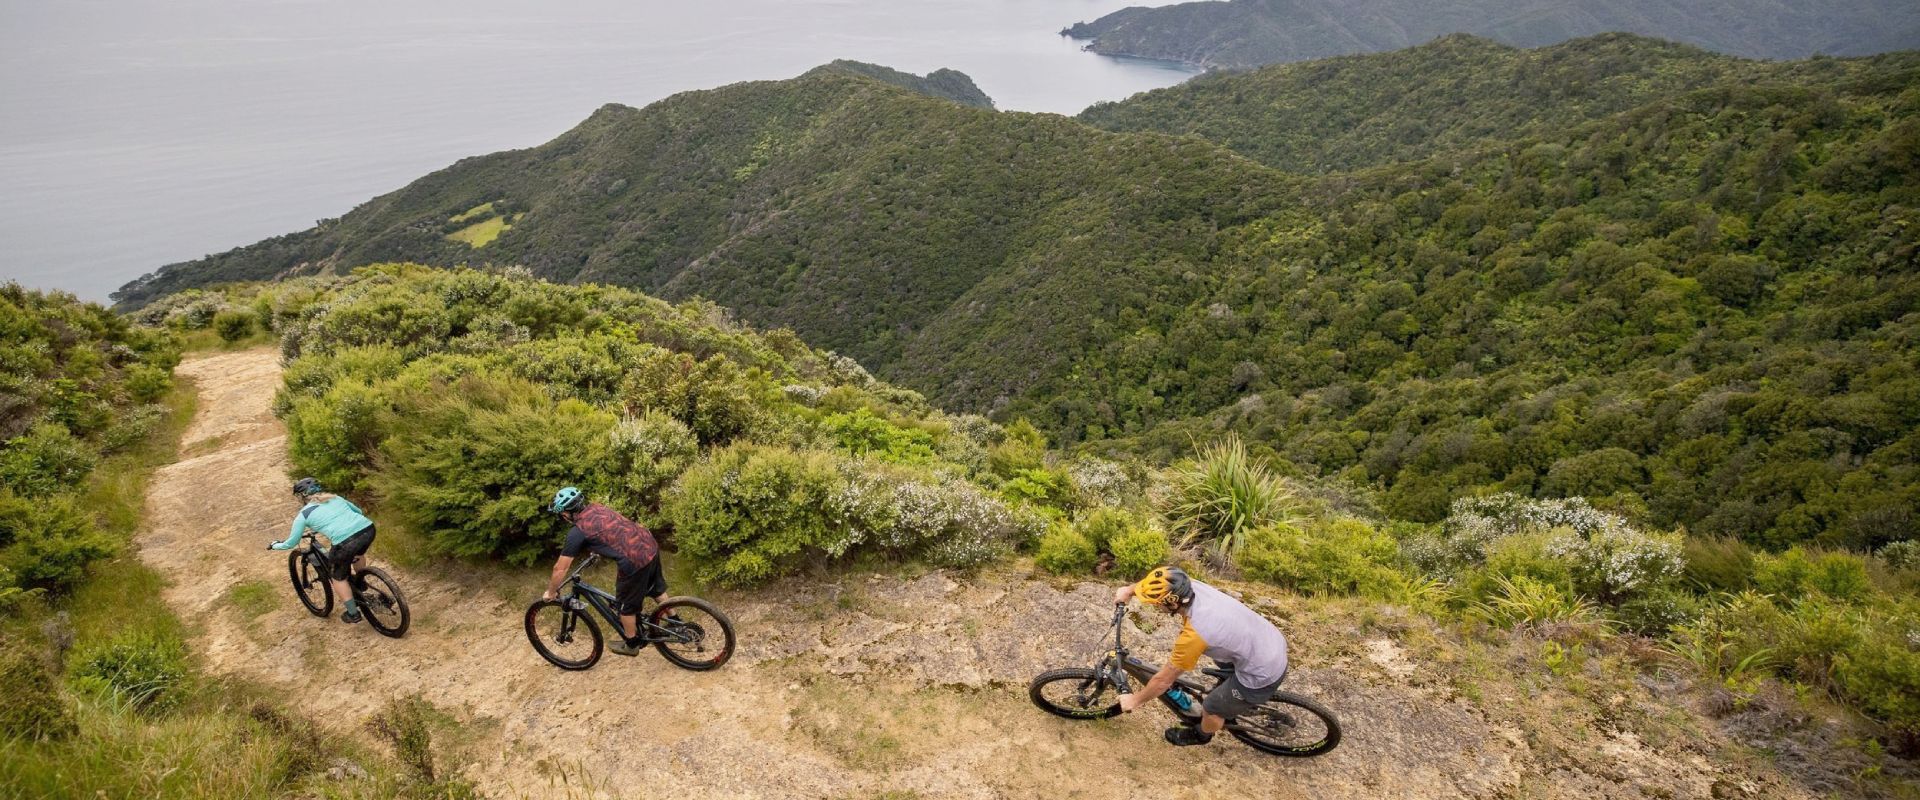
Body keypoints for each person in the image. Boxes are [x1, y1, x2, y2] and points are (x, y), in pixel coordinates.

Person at [1112, 566, 1289, 746]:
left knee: (1211, 707)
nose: (1155, 606)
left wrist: (1134, 700)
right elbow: (1163, 580)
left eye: (1157, 603)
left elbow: (1163, 681)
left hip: (1263, 669)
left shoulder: (1195, 634)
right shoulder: (1188, 586)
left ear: (1173, 604)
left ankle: (1202, 734)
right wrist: (1129, 590)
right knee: (1221, 660)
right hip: (1268, 639)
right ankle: (1234, 700)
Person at [541, 486, 666, 657]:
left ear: (566, 514)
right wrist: (597, 549)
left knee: (625, 607)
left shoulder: (577, 532)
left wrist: (551, 592)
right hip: (648, 543)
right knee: (656, 588)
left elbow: (560, 568)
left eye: (562, 514)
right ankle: (674, 620)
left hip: (634, 560)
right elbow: (616, 527)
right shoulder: (597, 507)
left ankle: (632, 644)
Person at [270, 477, 377, 624]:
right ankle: (360, 581)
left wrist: (275, 545)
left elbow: (291, 543)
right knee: (357, 554)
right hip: (368, 529)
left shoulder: (304, 515)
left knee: (337, 577)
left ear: (301, 496)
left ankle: (353, 614)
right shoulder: (335, 498)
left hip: (345, 541)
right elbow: (358, 511)